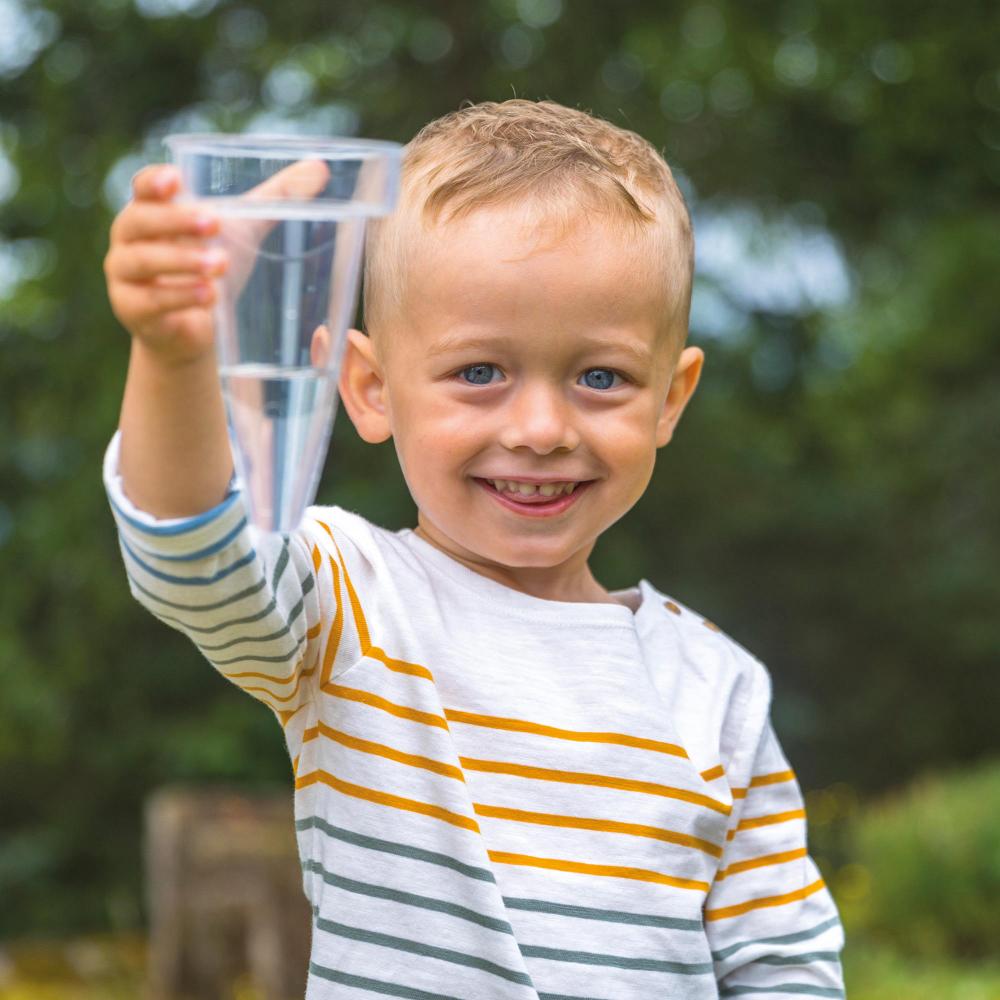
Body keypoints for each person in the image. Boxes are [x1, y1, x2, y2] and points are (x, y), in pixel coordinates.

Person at [103, 99, 845, 999]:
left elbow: (783, 969)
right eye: (479, 373)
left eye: (600, 377)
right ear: (371, 389)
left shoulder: (718, 690)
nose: (539, 429)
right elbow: (195, 561)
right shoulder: (351, 603)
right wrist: (174, 359)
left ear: (670, 398)